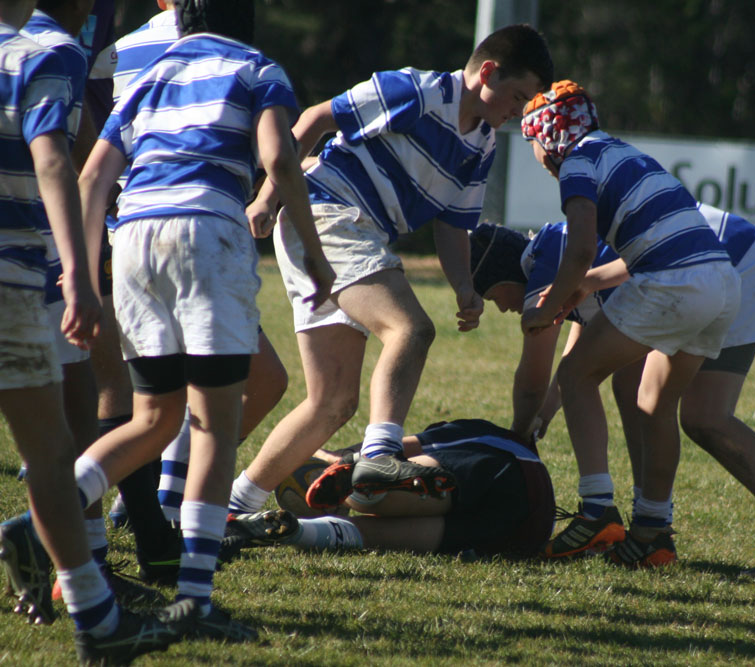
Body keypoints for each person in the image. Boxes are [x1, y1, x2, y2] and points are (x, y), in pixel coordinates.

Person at [67, 0, 334, 640]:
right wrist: (314, 251)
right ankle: (194, 599)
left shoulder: (154, 73)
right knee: (214, 423)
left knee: (153, 418)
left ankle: (39, 518)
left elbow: (94, 175)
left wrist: (81, 270)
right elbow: (279, 160)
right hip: (208, 231)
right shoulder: (257, 68)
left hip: (134, 238)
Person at [226, 24, 554, 520]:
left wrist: (465, 286)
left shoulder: (482, 145)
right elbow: (315, 120)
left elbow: (452, 223)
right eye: (518, 97)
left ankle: (232, 508)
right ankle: (379, 456)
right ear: (487, 72)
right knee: (410, 329)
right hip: (328, 212)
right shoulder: (419, 91)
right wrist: (267, 197)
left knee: (333, 401)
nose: (518, 111)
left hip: (352, 230)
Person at [470, 211, 755, 572]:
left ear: (501, 274)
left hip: (717, 257)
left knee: (682, 408)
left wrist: (517, 438)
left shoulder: (544, 260)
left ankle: (621, 517)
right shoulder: (558, 244)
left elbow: (534, 376)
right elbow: (583, 339)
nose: (499, 308)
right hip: (738, 251)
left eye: (490, 296)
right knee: (692, 412)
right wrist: (547, 410)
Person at [0, 0, 195, 662]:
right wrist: (82, 269)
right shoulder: (43, 54)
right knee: (55, 455)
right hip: (18, 273)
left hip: (26, 271)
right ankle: (93, 611)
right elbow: (58, 162)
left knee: (74, 417)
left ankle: (87, 592)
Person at [517, 80, 741, 568]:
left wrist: (547, 309)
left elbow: (579, 249)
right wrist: (586, 285)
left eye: (531, 141)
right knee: (655, 405)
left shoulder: (576, 163)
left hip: (675, 282)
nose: (535, 155)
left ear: (548, 137)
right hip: (722, 282)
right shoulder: (623, 152)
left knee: (575, 375)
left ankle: (597, 509)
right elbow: (649, 245)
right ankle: (653, 533)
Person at [225, 419, 555, 561]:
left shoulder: (477, 432)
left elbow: (400, 447)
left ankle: (362, 489)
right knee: (373, 535)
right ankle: (296, 531)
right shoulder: (494, 437)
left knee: (378, 493)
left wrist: (327, 458)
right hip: (528, 532)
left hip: (509, 470)